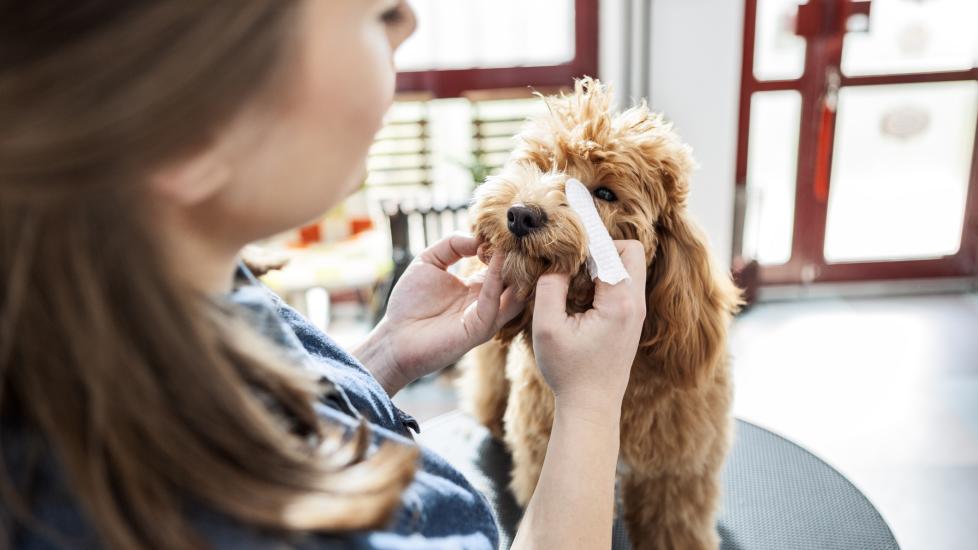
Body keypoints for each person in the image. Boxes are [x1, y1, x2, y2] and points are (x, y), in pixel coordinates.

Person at [0, 1, 648, 549]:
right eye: (375, 12)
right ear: (192, 121)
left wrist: (384, 356)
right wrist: (590, 403)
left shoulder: (165, 286)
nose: (409, 24)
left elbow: (283, 420)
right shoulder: (224, 519)